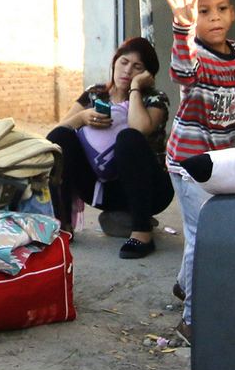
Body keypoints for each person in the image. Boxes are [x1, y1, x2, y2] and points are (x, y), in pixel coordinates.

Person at [164, 0, 235, 340]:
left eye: (221, 9)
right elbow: (182, 69)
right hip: (189, 160)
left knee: (199, 232)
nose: (214, 18)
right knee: (203, 236)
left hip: (220, 161)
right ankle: (191, 321)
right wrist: (181, 24)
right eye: (204, 11)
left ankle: (183, 284)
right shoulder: (194, 55)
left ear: (233, 13)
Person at [46, 37, 172, 259]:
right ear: (114, 63)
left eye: (137, 67)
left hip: (151, 191)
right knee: (61, 138)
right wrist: (83, 117)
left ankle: (142, 232)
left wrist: (134, 90)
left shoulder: (155, 98)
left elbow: (139, 128)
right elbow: (55, 135)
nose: (127, 70)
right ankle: (63, 225)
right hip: (101, 189)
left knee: (128, 138)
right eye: (123, 62)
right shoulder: (95, 94)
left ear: (147, 75)